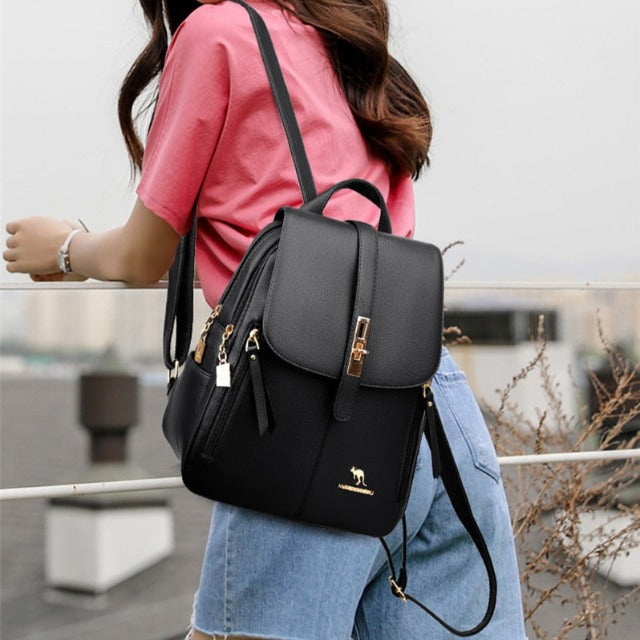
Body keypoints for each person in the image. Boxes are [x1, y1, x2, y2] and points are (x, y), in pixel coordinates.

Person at [3, 1, 527, 638]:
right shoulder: (340, 28)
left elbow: (140, 257)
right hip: (433, 411)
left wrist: (65, 249)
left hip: (309, 421)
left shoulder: (216, 35)